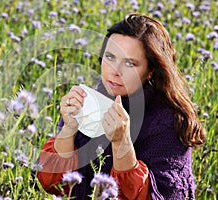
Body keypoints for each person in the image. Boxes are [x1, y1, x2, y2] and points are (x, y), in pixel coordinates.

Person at [36, 13, 206, 199]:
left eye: (130, 63)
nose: (115, 71)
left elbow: (165, 195)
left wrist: (122, 143)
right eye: (110, 57)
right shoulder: (89, 102)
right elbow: (56, 184)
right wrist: (68, 129)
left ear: (150, 71)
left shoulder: (169, 123)